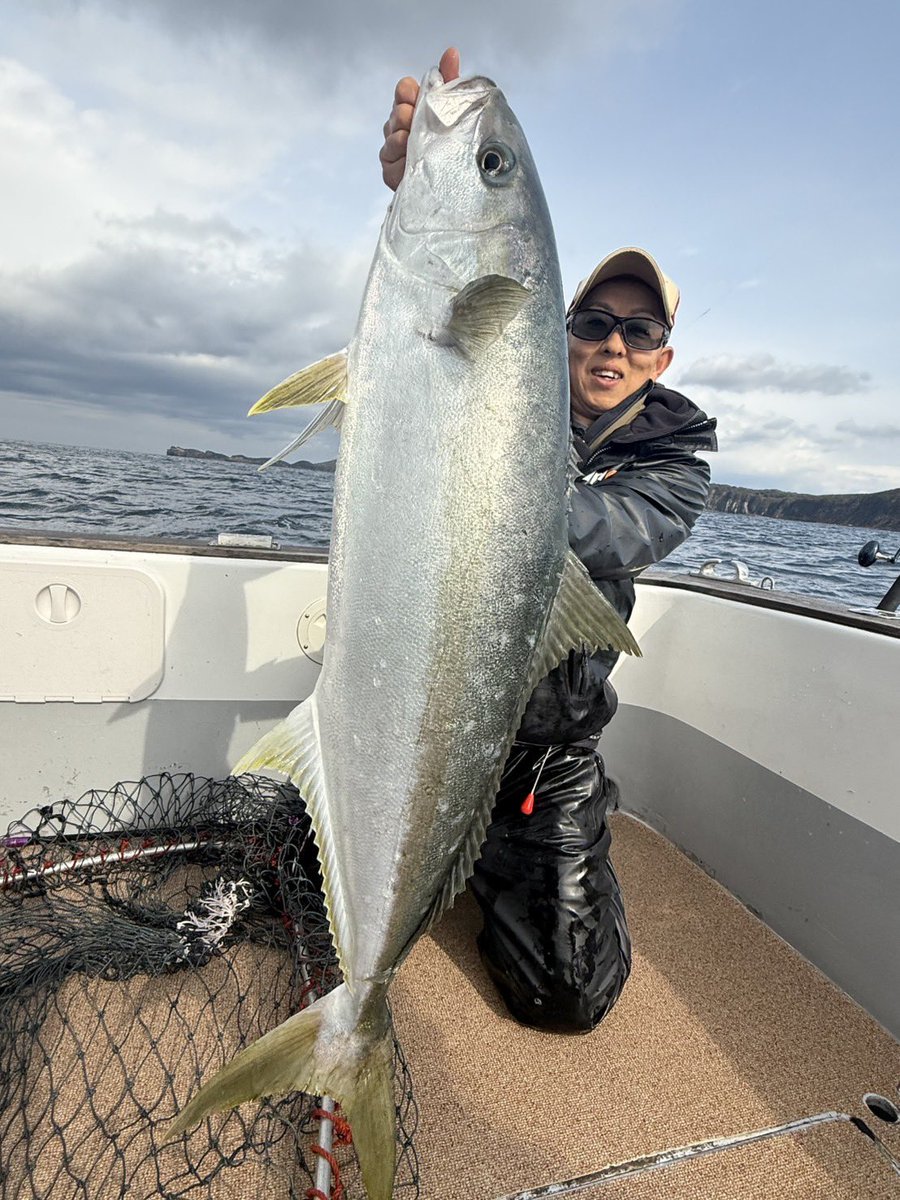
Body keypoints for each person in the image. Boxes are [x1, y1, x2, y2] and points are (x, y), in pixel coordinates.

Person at [381, 50, 717, 1033]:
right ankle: (452, 858)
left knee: (566, 996)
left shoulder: (675, 468)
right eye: (593, 322)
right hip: (432, 711)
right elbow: (432, 348)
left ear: (663, 358)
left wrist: (487, 483)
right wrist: (424, 198)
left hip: (543, 764)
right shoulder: (500, 384)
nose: (611, 345)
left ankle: (503, 860)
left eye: (638, 331)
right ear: (559, 329)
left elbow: (603, 531)